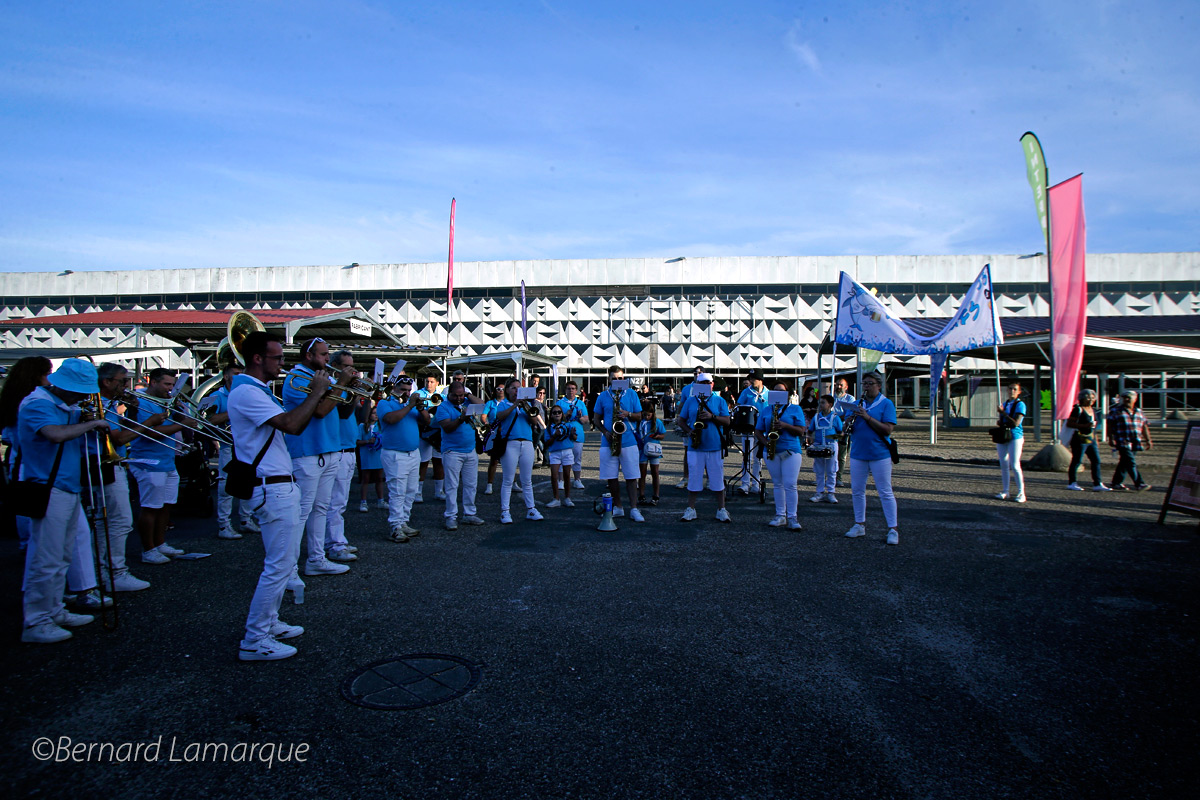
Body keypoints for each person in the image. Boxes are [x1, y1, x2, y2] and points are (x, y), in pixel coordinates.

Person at [230, 331, 331, 660]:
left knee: (282, 563)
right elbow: (292, 424)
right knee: (278, 566)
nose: (282, 364)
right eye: (277, 358)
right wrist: (318, 392)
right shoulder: (247, 391)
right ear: (258, 358)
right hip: (271, 486)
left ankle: (269, 622)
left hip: (276, 484)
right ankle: (255, 639)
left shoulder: (255, 389)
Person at [17, 359, 113, 642]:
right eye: (77, 392)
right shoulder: (37, 403)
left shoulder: (60, 404)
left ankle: (54, 610)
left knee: (62, 555)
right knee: (46, 558)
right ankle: (36, 621)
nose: (80, 398)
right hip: (48, 487)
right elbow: (54, 434)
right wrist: (91, 423)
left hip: (66, 485)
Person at [282, 338, 356, 577]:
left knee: (321, 509)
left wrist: (352, 388)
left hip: (329, 450)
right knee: (301, 512)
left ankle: (316, 558)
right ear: (308, 356)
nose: (327, 358)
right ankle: (288, 568)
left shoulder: (326, 378)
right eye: (323, 354)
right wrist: (341, 383)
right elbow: (321, 411)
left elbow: (344, 412)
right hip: (308, 452)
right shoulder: (297, 378)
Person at [92, 362, 155, 592]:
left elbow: (123, 428)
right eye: (122, 381)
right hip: (107, 466)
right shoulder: (101, 404)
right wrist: (149, 423)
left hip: (112, 465)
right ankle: (114, 572)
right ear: (107, 382)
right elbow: (118, 438)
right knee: (119, 522)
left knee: (108, 523)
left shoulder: (109, 404)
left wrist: (134, 411)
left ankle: (102, 573)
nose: (126, 386)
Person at [128, 368, 190, 564]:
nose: (170, 389)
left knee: (166, 505)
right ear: (153, 382)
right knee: (151, 507)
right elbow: (150, 432)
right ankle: (148, 549)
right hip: (149, 461)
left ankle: (160, 543)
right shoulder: (141, 402)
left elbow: (175, 422)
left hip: (167, 459)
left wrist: (180, 412)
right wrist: (183, 425)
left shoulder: (165, 401)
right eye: (166, 384)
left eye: (172, 385)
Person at [1, 356, 53, 552]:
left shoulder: (12, 397)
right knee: (33, 511)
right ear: (36, 376)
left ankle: (28, 547)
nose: (50, 380)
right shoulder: (35, 400)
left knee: (26, 508)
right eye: (47, 374)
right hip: (31, 460)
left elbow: (7, 437)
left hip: (19, 459)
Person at [844, 371, 899, 546]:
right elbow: (846, 429)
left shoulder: (886, 403)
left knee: (885, 491)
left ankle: (893, 529)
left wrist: (867, 417)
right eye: (864, 384)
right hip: (858, 453)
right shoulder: (856, 404)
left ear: (879, 385)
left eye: (870, 384)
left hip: (879, 454)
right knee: (857, 490)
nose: (866, 387)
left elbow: (887, 429)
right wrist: (849, 421)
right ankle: (859, 524)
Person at [206, 363, 258, 540]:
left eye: (241, 373)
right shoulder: (217, 396)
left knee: (249, 483)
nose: (239, 376)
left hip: (247, 445)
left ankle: (246, 520)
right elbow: (209, 419)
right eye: (235, 373)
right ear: (226, 376)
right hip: (228, 445)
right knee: (225, 487)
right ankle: (224, 525)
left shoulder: (247, 393)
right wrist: (235, 410)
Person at [323, 350, 362, 564]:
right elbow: (342, 413)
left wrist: (356, 392)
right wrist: (349, 388)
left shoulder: (343, 387)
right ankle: (334, 545)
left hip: (348, 448)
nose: (351, 370)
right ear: (335, 366)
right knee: (333, 502)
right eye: (346, 366)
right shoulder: (331, 385)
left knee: (340, 502)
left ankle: (337, 539)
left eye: (352, 366)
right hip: (336, 449)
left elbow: (355, 415)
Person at [677, 373, 732, 522]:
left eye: (708, 383)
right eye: (702, 383)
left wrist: (712, 417)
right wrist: (689, 431)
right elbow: (681, 420)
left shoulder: (719, 400)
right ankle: (691, 509)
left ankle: (721, 509)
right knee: (694, 479)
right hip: (695, 446)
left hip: (715, 445)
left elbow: (727, 421)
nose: (706, 385)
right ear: (697, 385)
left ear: (712, 384)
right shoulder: (691, 400)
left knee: (717, 479)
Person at [594, 365, 645, 522]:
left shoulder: (631, 394)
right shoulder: (603, 396)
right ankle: (618, 507)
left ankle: (634, 508)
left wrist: (628, 414)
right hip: (609, 441)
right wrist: (605, 432)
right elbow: (596, 419)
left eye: (620, 378)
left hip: (628, 440)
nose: (618, 381)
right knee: (611, 477)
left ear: (624, 379)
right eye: (614, 378)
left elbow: (640, 416)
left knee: (632, 476)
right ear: (609, 379)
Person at [378, 376, 426, 542]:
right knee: (397, 491)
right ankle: (395, 526)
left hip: (413, 453)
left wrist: (420, 408)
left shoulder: (409, 405)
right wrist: (410, 405)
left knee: (411, 490)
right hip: (395, 454)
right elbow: (391, 419)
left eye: (408, 390)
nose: (406, 393)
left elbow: (427, 421)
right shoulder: (385, 403)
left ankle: (404, 521)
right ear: (394, 389)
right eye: (403, 390)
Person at [435, 381, 487, 530]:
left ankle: (469, 514)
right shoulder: (443, 407)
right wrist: (460, 419)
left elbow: (482, 404)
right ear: (449, 394)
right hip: (452, 451)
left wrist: (468, 395)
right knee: (452, 485)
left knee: (471, 484)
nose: (459, 398)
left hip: (470, 450)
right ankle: (451, 516)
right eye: (455, 396)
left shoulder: (467, 402)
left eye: (461, 395)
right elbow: (447, 427)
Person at [493, 377, 545, 523]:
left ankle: (531, 509)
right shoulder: (503, 404)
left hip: (527, 442)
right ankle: (505, 511)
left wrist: (525, 407)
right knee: (508, 479)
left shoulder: (525, 405)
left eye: (518, 388)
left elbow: (534, 421)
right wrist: (514, 405)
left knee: (527, 480)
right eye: (513, 388)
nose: (516, 391)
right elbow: (500, 417)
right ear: (507, 390)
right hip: (510, 443)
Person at [755, 385, 806, 529]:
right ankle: (780, 515)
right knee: (777, 484)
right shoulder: (767, 409)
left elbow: (801, 431)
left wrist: (785, 425)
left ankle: (792, 517)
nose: (778, 393)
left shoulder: (795, 409)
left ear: (787, 393)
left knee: (790, 484)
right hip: (771, 450)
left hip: (791, 450)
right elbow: (758, 430)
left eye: (781, 391)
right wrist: (765, 443)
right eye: (775, 390)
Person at [1065, 389, 1111, 492]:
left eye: (1093, 398)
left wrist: (1096, 439)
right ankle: (1072, 482)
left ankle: (1097, 483)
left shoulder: (1093, 410)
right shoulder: (1078, 409)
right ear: (1082, 398)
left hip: (1091, 438)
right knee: (1077, 460)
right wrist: (1084, 425)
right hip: (1079, 438)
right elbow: (1070, 423)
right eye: (1088, 398)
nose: (1091, 400)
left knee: (1096, 460)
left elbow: (1093, 427)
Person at [1107, 390, 1153, 491]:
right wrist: (1110, 438)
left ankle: (1116, 482)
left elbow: (1144, 426)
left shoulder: (1139, 412)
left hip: (1135, 441)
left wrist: (1148, 440)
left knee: (1124, 462)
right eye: (1124, 398)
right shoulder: (1116, 411)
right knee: (1131, 462)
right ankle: (1139, 483)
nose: (1126, 400)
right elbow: (1109, 425)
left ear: (1135, 399)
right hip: (1122, 440)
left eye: (1129, 397)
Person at [736, 370, 769, 495]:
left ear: (760, 380)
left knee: (758, 457)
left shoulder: (768, 393)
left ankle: (756, 483)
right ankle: (745, 484)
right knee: (747, 456)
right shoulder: (746, 392)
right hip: (748, 428)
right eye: (750, 378)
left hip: (762, 430)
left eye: (753, 379)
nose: (751, 381)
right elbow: (739, 406)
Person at [994, 381, 1027, 503]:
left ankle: (1021, 492)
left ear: (1019, 392)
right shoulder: (1005, 404)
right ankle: (1005, 491)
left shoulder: (1020, 405)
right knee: (1003, 464)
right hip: (1003, 436)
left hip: (1015, 437)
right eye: (1010, 389)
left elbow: (1016, 423)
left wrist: (1003, 413)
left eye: (1014, 389)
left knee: (1015, 464)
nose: (1012, 391)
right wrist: (1001, 419)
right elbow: (1002, 421)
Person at [416, 374, 446, 503]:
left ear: (437, 383)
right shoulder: (418, 393)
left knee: (439, 462)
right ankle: (418, 492)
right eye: (427, 381)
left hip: (437, 432)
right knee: (423, 462)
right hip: (423, 432)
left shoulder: (442, 396)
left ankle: (439, 491)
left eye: (432, 382)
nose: (429, 384)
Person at [808, 394, 844, 503]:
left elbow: (840, 432)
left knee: (831, 470)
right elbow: (810, 431)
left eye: (823, 403)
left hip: (831, 445)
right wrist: (810, 439)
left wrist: (839, 437)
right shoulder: (816, 417)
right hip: (818, 445)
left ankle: (831, 493)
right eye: (820, 403)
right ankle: (819, 492)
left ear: (830, 404)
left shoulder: (835, 417)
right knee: (819, 470)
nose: (821, 405)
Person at [676, 367, 706, 490]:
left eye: (700, 373)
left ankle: (709, 478)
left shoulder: (709, 387)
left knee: (707, 451)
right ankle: (686, 478)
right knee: (687, 451)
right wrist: (678, 417)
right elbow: (682, 404)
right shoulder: (687, 388)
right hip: (689, 423)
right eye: (695, 373)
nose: (697, 375)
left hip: (705, 424)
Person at [556, 381, 589, 490]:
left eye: (573, 388)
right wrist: (566, 415)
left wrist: (579, 417)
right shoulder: (560, 403)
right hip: (564, 434)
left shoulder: (580, 403)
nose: (571, 390)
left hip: (578, 433)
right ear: (565, 390)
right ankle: (561, 480)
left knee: (577, 458)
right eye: (569, 388)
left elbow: (586, 419)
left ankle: (577, 480)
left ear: (576, 390)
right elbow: (555, 419)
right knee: (562, 458)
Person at [543, 404, 577, 508]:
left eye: (559, 412)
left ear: (562, 414)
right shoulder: (549, 428)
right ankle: (556, 498)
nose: (557, 414)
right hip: (555, 452)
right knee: (554, 475)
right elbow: (547, 443)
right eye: (554, 412)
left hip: (567, 451)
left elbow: (574, 438)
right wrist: (554, 435)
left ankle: (567, 498)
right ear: (551, 415)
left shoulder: (568, 425)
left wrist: (573, 434)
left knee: (567, 475)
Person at [356, 409, 387, 511]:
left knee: (379, 478)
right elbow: (357, 441)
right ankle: (363, 502)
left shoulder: (381, 426)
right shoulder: (362, 426)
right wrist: (367, 441)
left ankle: (381, 500)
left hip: (378, 454)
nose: (376, 415)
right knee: (366, 478)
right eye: (374, 413)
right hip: (366, 455)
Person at [637, 400, 666, 506]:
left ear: (653, 414)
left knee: (655, 472)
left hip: (654, 449)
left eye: (648, 415)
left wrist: (657, 436)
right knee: (642, 473)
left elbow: (663, 435)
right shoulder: (640, 422)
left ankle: (656, 495)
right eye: (644, 415)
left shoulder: (657, 422)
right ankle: (641, 495)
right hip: (642, 450)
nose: (646, 417)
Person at [833, 378, 855, 486]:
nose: (838, 387)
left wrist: (835, 417)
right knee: (829, 453)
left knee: (841, 455)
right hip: (831, 428)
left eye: (841, 385)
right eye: (837, 384)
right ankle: (827, 476)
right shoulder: (831, 398)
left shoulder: (850, 399)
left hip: (843, 429)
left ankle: (839, 477)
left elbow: (848, 414)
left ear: (846, 387)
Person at [482, 384, 504, 494]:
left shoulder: (508, 403)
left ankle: (513, 483)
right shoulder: (490, 403)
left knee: (509, 460)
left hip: (506, 433)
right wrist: (486, 424)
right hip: (494, 432)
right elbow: (483, 416)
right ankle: (489, 485)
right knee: (494, 460)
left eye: (503, 389)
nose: (501, 391)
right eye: (498, 389)